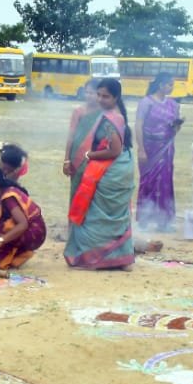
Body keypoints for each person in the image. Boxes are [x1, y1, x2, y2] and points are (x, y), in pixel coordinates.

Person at [65, 78, 136, 270]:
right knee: (109, 214)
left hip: (111, 170)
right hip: (116, 168)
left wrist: (90, 154)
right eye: (99, 95)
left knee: (96, 214)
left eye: (106, 96)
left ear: (116, 97)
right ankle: (119, 257)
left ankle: (98, 258)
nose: (101, 99)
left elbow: (114, 150)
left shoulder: (112, 118)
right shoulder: (109, 115)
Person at [135, 73, 184, 232]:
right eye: (170, 84)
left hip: (166, 148)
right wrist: (141, 148)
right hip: (149, 148)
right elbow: (138, 125)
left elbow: (174, 130)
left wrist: (177, 125)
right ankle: (144, 219)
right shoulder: (146, 102)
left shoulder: (173, 104)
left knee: (164, 182)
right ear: (161, 85)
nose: (172, 87)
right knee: (147, 181)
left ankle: (163, 221)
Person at [62, 80, 101, 180]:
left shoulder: (104, 113)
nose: (88, 96)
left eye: (91, 93)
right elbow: (71, 136)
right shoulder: (79, 112)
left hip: (97, 157)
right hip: (78, 156)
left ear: (99, 94)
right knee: (77, 190)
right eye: (86, 92)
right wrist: (67, 160)